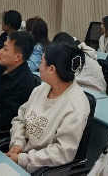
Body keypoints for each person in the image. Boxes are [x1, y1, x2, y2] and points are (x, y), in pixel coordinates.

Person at [7, 43, 90, 173]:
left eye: (41, 62)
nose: (39, 67)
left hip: (41, 170)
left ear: (51, 69)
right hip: (19, 160)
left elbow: (61, 152)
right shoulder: (41, 89)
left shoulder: (76, 105)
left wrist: (22, 159)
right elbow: (20, 119)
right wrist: (18, 143)